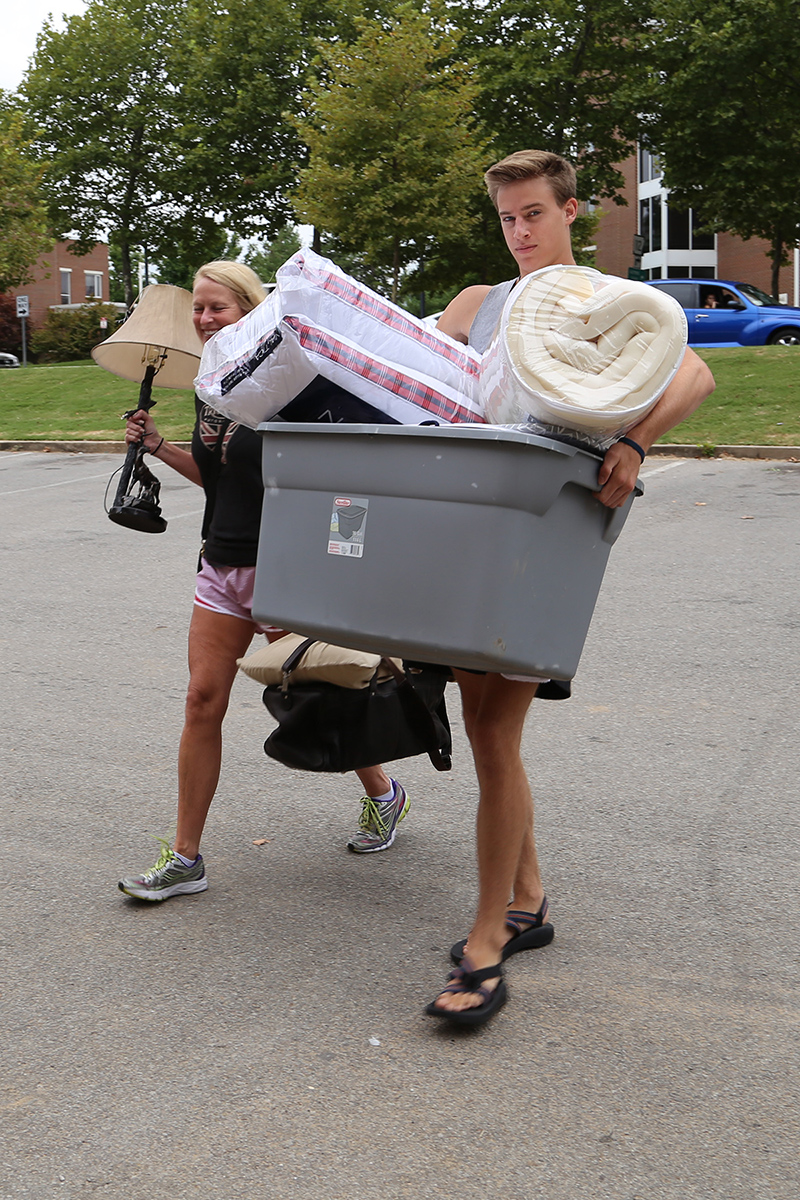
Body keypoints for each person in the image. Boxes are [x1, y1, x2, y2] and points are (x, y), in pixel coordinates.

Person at [425, 150, 716, 1025]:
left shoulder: (601, 301)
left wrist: (635, 443)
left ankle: (485, 941)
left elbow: (696, 375)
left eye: (534, 216)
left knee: (496, 727)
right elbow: (416, 378)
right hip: (472, 523)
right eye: (508, 219)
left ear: (570, 212)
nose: (520, 234)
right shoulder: (479, 307)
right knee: (485, 730)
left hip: (548, 530)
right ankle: (530, 900)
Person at [118, 261, 408, 902]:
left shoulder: (291, 386)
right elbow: (220, 477)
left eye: (216, 308)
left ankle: (384, 793)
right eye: (198, 308)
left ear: (252, 311)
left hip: (284, 569)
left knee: (319, 697)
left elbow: (344, 478)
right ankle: (185, 856)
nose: (203, 319)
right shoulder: (210, 384)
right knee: (201, 702)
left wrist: (342, 557)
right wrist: (164, 448)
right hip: (219, 565)